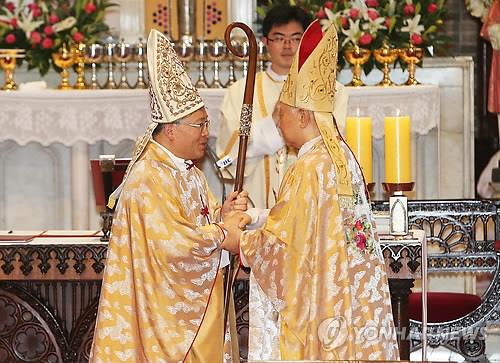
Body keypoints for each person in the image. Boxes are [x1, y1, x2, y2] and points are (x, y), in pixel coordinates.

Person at [222, 20, 400, 361]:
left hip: (323, 307)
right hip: (347, 301)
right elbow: (310, 227)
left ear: (303, 115)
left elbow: (287, 247)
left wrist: (240, 241)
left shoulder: (309, 166)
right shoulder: (337, 154)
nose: (276, 122)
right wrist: (259, 216)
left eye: (281, 115)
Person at [89, 29, 248, 363]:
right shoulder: (148, 178)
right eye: (200, 125)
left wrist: (223, 216)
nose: (207, 133)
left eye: (207, 124)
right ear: (172, 129)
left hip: (195, 313)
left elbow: (196, 223)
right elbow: (172, 244)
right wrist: (224, 234)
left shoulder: (188, 171)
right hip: (164, 320)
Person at [217, 4, 348, 209]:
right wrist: (272, 124)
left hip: (315, 206)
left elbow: (336, 151)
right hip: (256, 210)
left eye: (296, 38)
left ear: (307, 42)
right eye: (279, 38)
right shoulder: (240, 91)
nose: (287, 45)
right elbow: (226, 161)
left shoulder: (331, 91)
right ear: (265, 42)